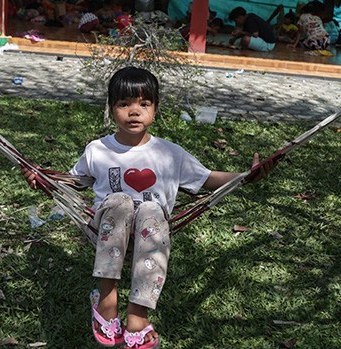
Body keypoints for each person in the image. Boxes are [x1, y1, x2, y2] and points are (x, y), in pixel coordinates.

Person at [23, 67, 266, 348]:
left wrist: (246, 177)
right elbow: (73, 182)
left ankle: (138, 313)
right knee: (119, 201)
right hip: (105, 229)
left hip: (151, 233)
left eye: (144, 104)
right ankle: (107, 300)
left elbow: (208, 178)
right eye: (124, 104)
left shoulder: (170, 154)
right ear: (112, 109)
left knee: (151, 209)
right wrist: (43, 179)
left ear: (155, 109)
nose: (134, 111)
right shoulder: (97, 150)